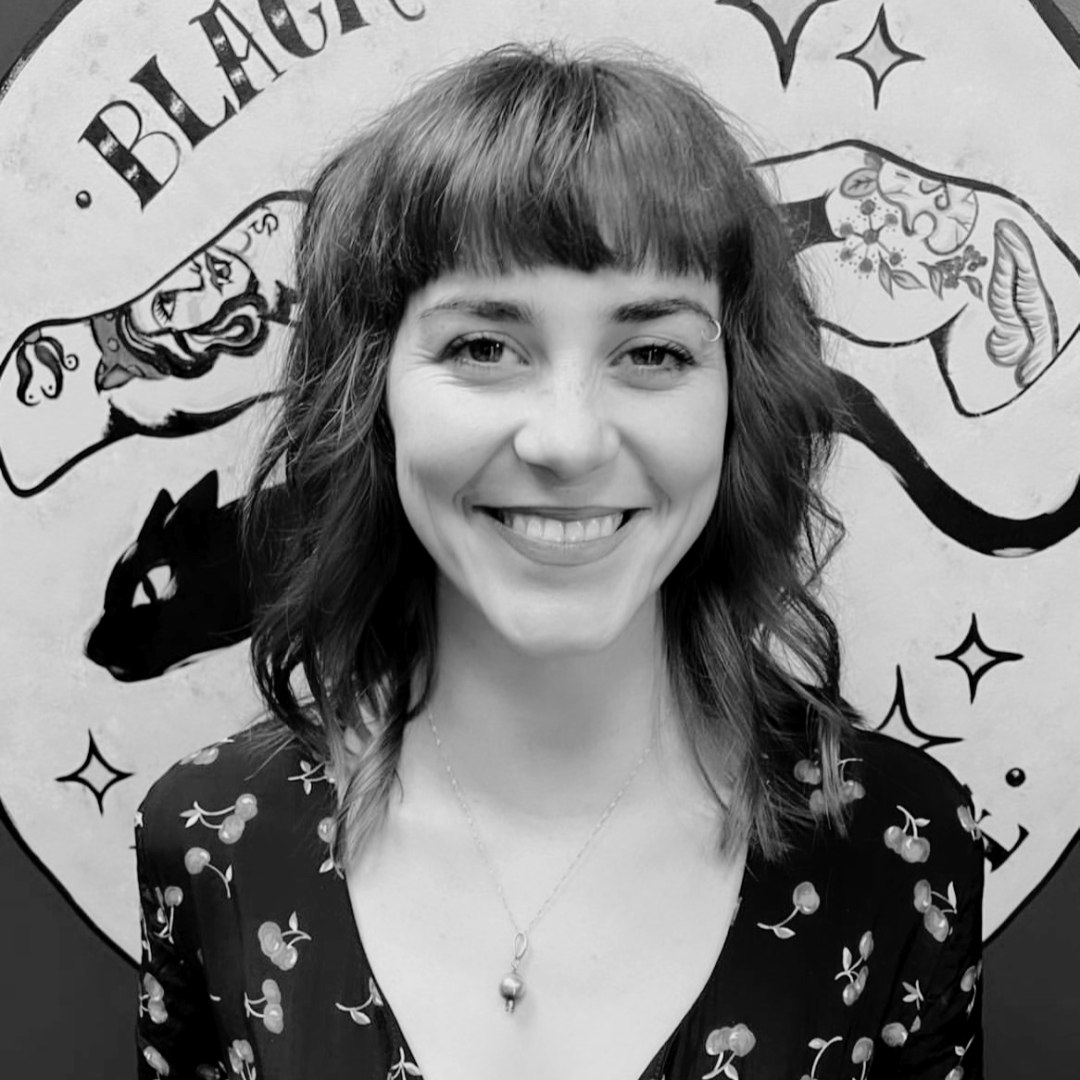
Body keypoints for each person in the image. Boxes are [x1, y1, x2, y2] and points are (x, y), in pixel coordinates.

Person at [134, 44, 984, 1080]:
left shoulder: (901, 845)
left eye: (653, 352)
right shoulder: (210, 839)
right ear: (372, 399)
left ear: (736, 405)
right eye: (485, 347)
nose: (569, 443)